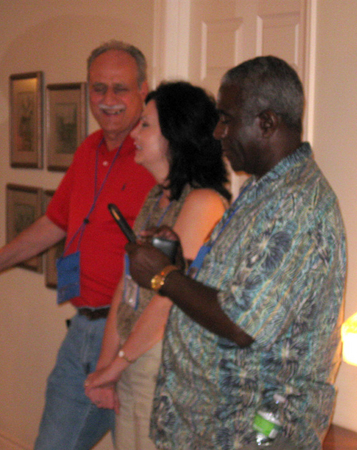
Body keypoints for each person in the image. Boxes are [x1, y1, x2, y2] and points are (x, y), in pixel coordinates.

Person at [125, 56, 346, 450]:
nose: (217, 132)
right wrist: (180, 265)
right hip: (210, 424)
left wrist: (164, 277)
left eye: (226, 119)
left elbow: (242, 323)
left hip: (247, 431)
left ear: (266, 123)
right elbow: (235, 290)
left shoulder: (297, 205)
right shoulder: (265, 189)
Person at [0, 40, 155, 449]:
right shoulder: (87, 151)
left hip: (132, 337)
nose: (108, 100)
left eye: (121, 88)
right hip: (82, 328)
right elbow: (54, 223)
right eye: (99, 89)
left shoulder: (156, 160)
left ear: (143, 91)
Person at [84, 81, 230, 450]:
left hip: (165, 361)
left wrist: (116, 364)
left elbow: (169, 299)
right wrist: (107, 367)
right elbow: (128, 283)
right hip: (135, 355)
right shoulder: (158, 196)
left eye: (145, 124)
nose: (134, 133)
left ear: (176, 135)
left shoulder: (203, 203)